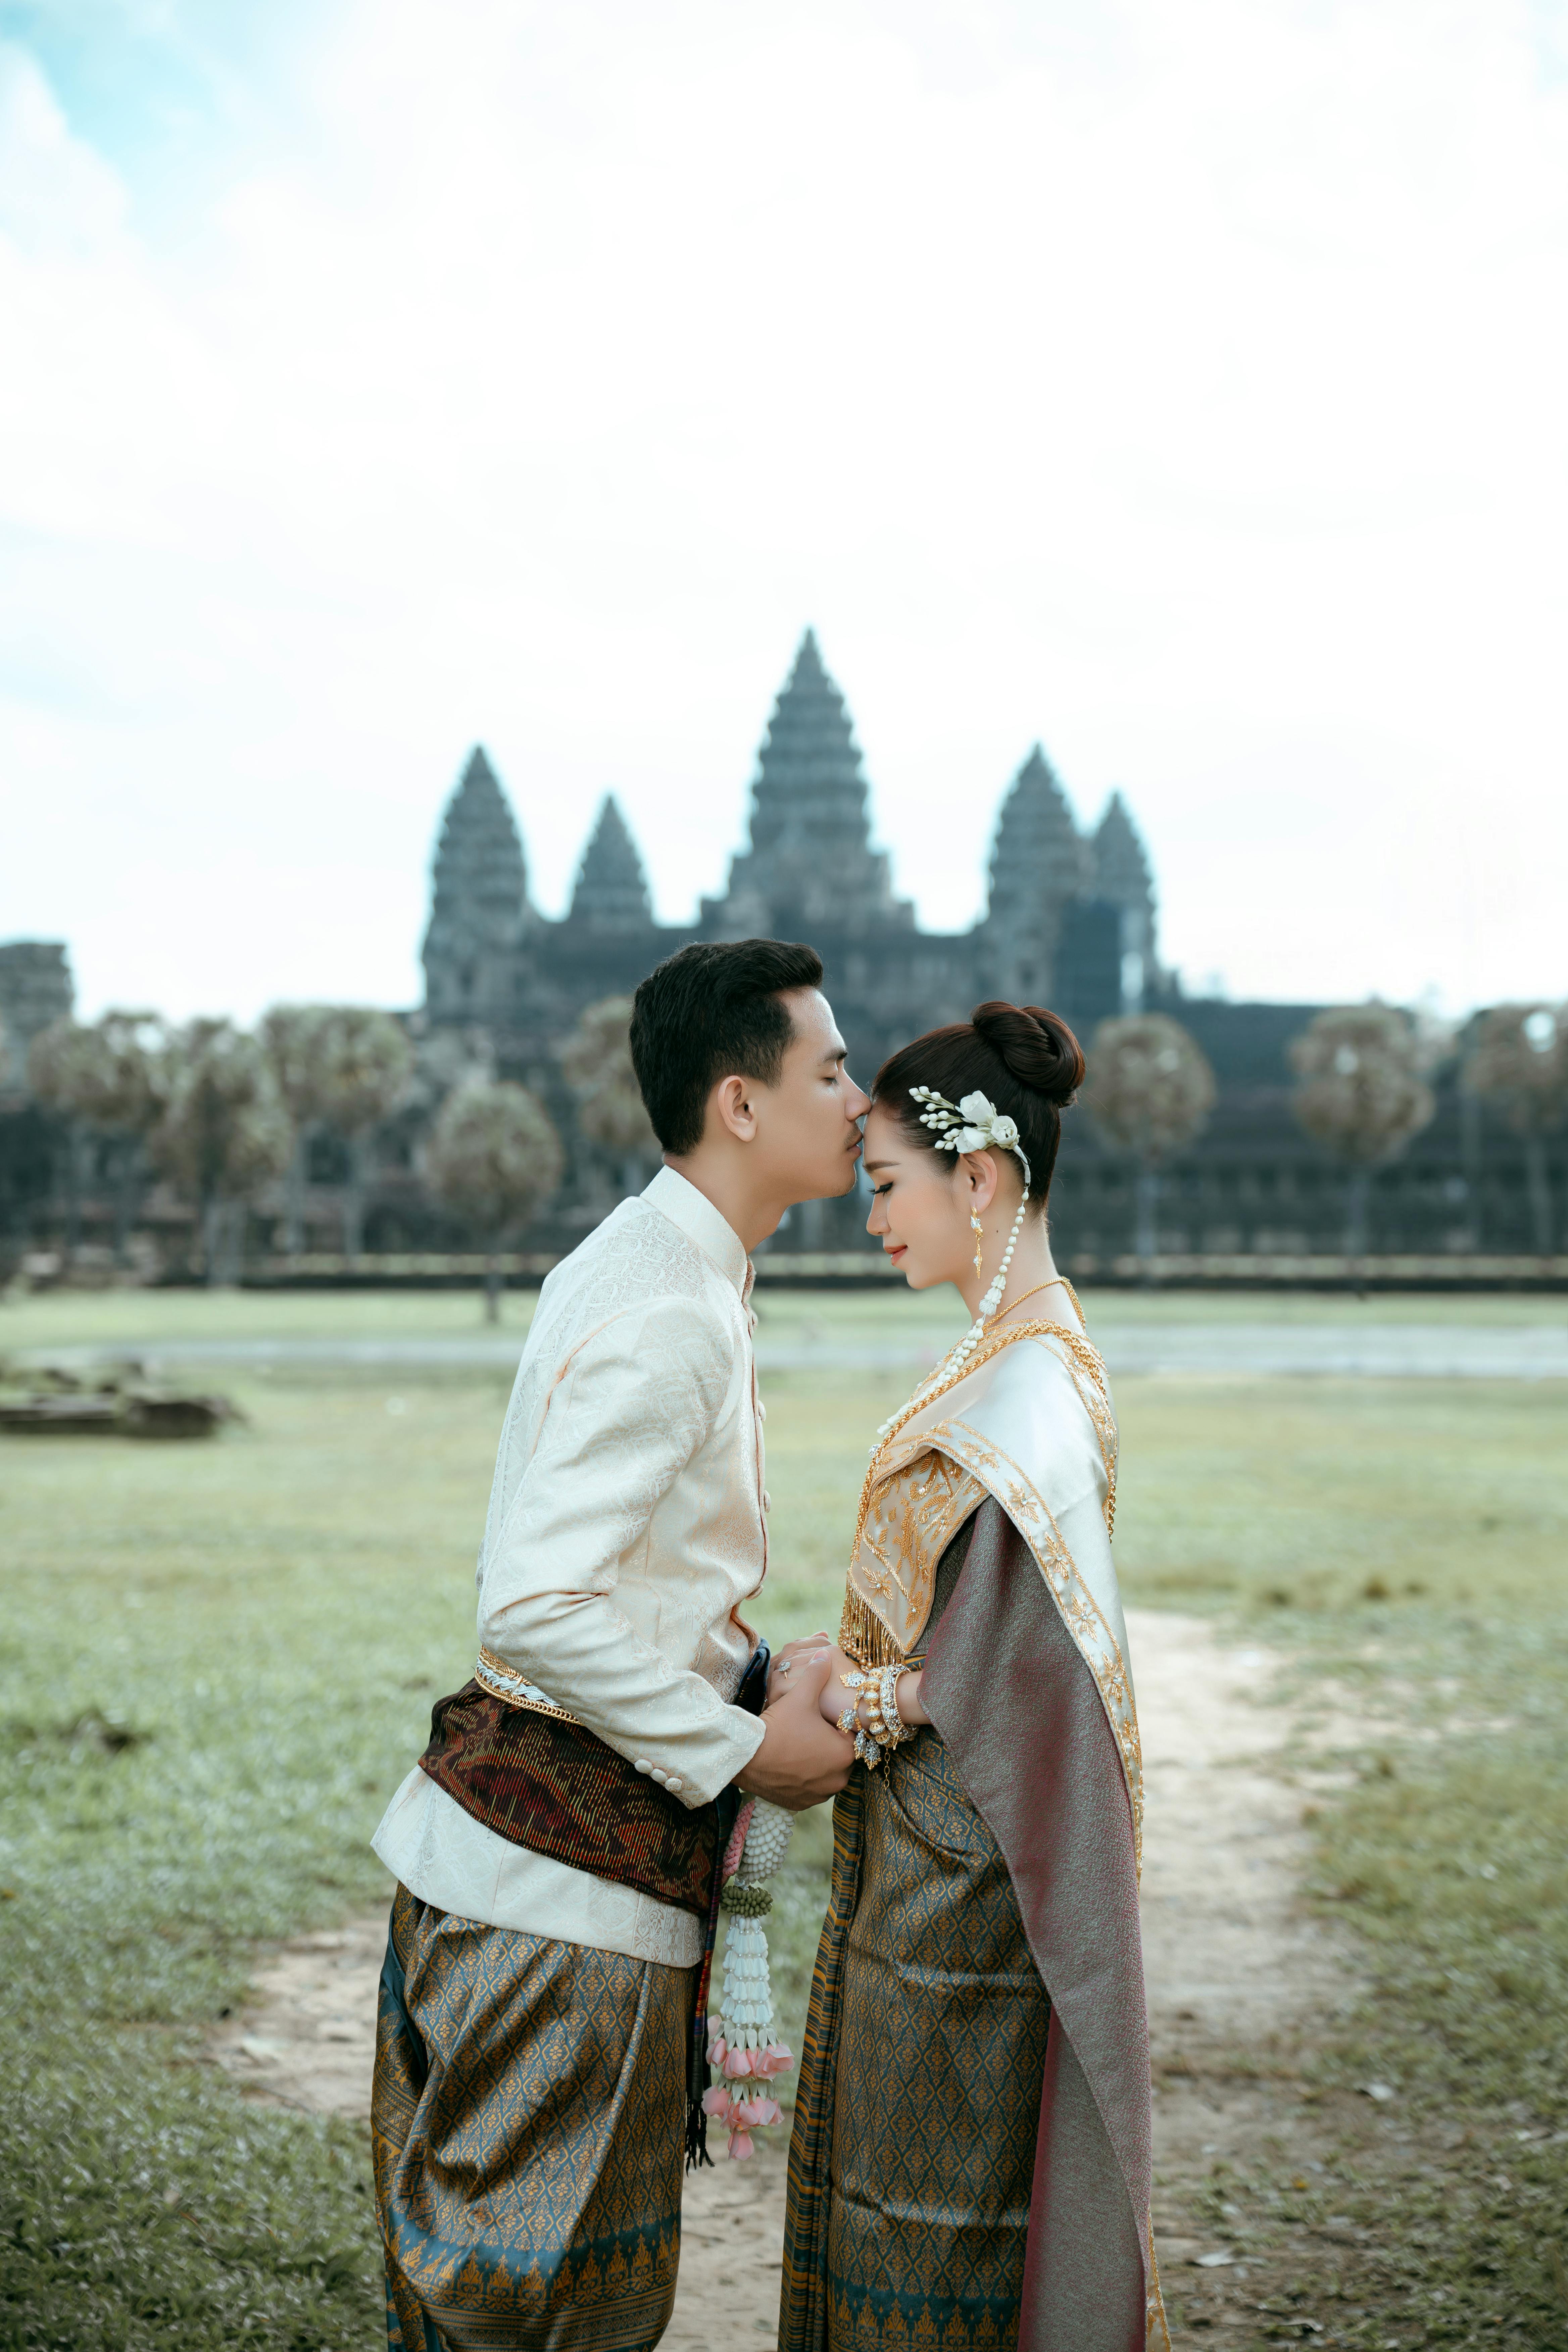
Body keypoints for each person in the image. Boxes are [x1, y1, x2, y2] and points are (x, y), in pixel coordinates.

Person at [370, 938, 864, 2352]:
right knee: (527, 2315)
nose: (857, 1096)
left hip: (518, 1877)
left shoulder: (651, 1258)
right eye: (828, 1070)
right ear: (742, 1104)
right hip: (558, 1924)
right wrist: (746, 1744)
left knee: (505, 2303)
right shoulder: (668, 1302)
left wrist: (754, 1672)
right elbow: (533, 1600)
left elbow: (614, 1580)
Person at [778, 1001, 1169, 2352]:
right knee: (909, 2216)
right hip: (931, 1872)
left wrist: (851, 1697)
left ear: (981, 1178)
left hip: (964, 1900)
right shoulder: (1018, 1359)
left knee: (939, 2238)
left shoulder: (1028, 1395)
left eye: (887, 1185)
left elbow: (999, 1684)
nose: (872, 1215)